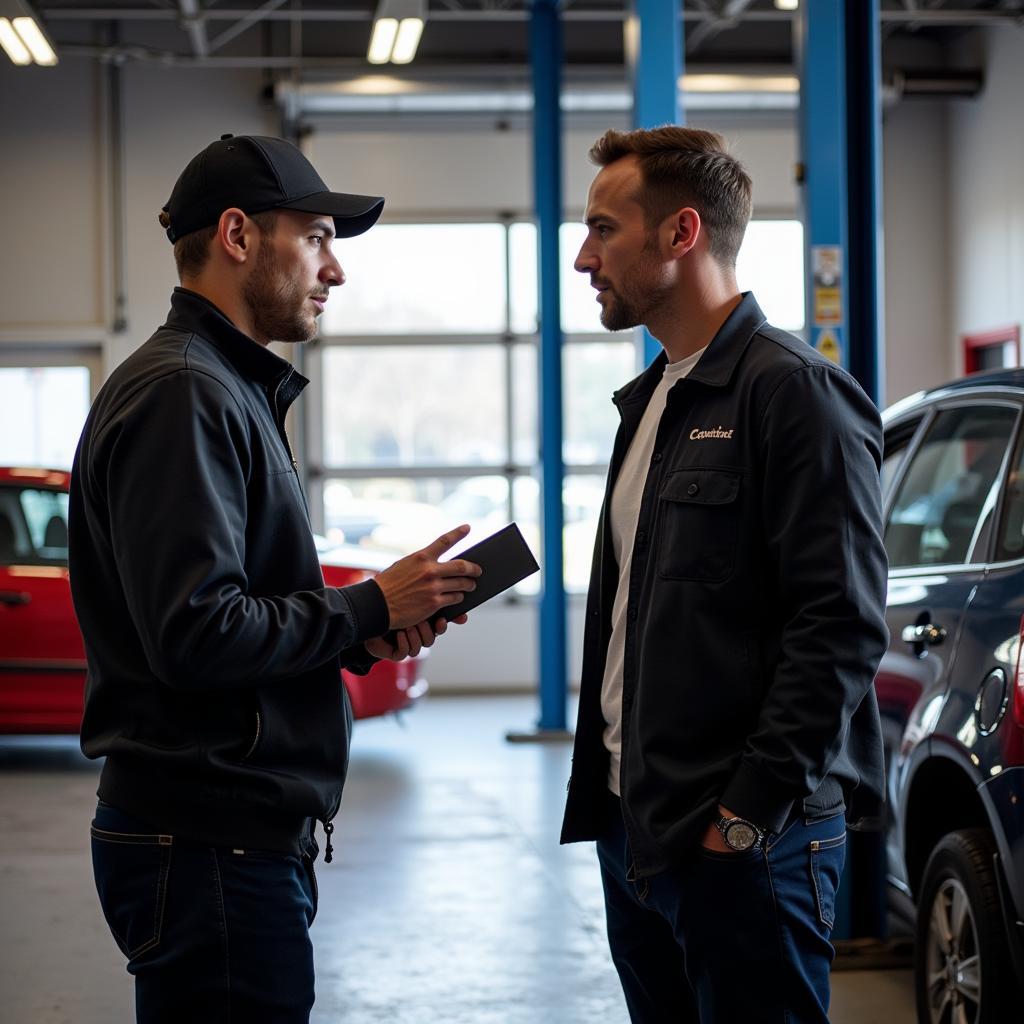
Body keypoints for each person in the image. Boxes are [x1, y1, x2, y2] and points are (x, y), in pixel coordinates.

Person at [69, 133, 481, 1023]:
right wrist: (368, 600)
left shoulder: (225, 388)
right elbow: (196, 634)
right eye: (320, 236)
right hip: (209, 840)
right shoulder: (184, 393)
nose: (336, 270)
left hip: (225, 838)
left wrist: (360, 632)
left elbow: (233, 609)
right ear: (238, 236)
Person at [559, 126, 888, 1024]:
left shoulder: (796, 395)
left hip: (745, 843)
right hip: (640, 827)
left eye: (602, 229)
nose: (584, 258)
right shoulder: (657, 398)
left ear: (681, 234)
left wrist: (745, 815)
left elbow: (842, 629)